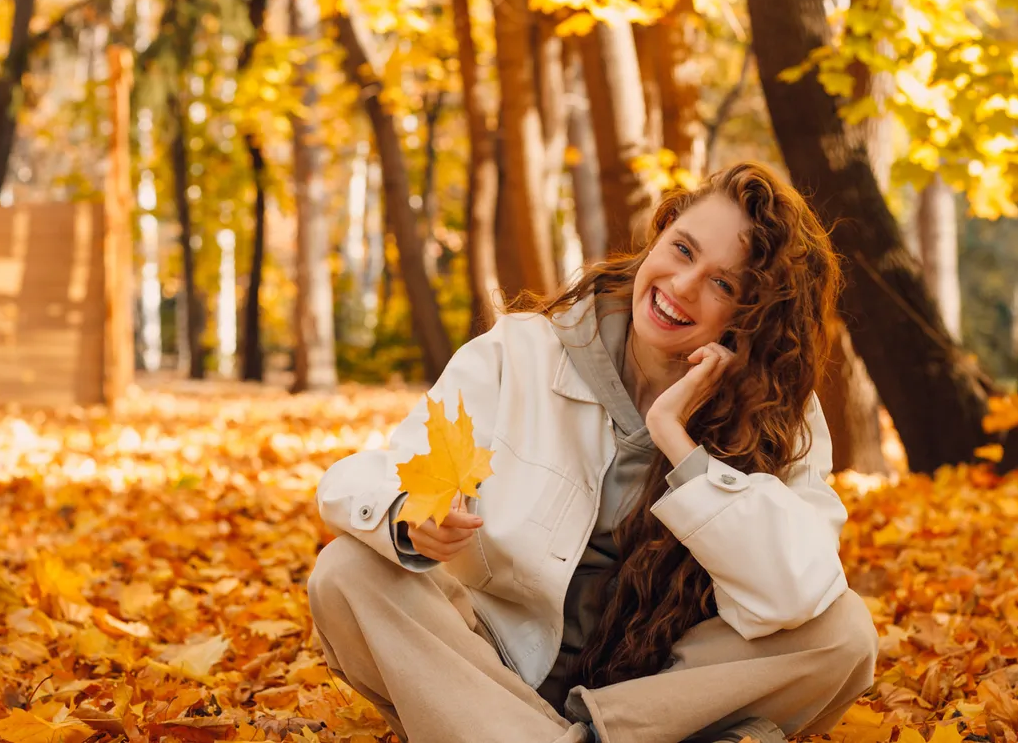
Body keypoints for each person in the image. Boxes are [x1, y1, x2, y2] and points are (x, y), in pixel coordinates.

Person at [308, 162, 878, 743]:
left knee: (844, 635)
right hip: (491, 666)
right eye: (682, 250)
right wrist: (410, 518)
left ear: (751, 315)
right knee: (345, 571)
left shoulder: (778, 410)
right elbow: (364, 479)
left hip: (655, 692)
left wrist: (679, 445)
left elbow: (798, 588)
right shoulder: (522, 351)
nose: (682, 286)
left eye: (723, 284)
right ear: (659, 233)